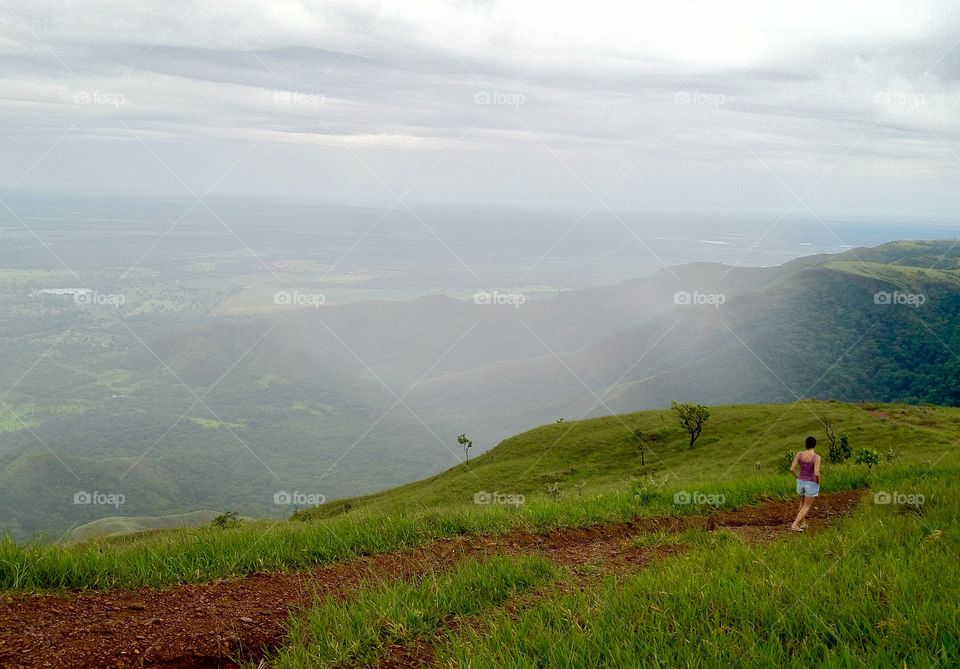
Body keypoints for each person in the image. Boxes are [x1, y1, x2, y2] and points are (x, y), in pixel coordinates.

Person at [789, 436, 821, 532]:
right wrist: (818, 482)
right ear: (814, 445)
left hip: (800, 482)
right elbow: (816, 473)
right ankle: (794, 524)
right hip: (811, 483)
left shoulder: (799, 454)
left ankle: (803, 523)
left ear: (805, 444)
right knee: (806, 506)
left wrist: (798, 477)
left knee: (802, 503)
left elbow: (792, 469)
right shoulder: (816, 457)